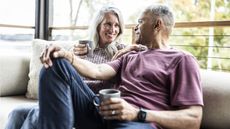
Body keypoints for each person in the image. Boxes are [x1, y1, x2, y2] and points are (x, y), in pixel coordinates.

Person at [38, 4, 203, 129]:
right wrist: (68, 55)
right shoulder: (130, 55)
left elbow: (194, 119)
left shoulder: (182, 60)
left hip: (136, 122)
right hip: (102, 112)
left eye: (140, 22)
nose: (135, 27)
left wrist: (138, 113)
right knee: (56, 63)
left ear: (157, 25)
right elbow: (98, 71)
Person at [5, 5, 145, 129]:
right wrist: (72, 54)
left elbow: (146, 52)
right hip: (65, 96)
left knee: (35, 115)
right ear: (98, 26)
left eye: (116, 25)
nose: (113, 29)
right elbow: (62, 74)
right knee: (16, 113)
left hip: (89, 104)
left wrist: (134, 46)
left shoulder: (122, 51)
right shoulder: (82, 48)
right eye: (108, 24)